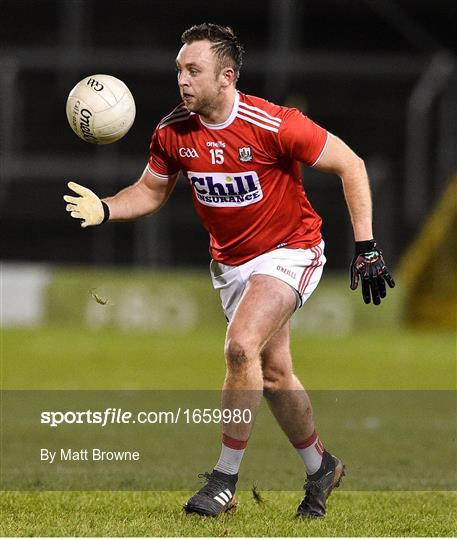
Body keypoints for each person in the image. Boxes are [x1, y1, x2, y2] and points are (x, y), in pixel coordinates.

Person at [64, 23, 395, 518]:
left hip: (290, 250)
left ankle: (223, 480)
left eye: (193, 70)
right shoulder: (173, 131)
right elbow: (151, 192)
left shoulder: (274, 124)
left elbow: (352, 164)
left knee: (241, 346)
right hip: (231, 264)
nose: (183, 79)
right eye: (179, 69)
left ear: (227, 77)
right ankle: (321, 467)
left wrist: (366, 246)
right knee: (275, 375)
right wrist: (107, 208)